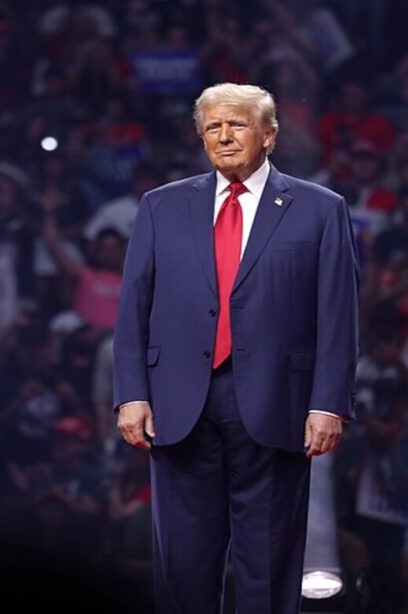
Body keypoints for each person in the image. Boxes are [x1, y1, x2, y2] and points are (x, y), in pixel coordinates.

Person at [112, 83, 359, 613]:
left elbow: (338, 315)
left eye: (238, 125)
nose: (224, 137)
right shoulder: (161, 206)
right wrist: (130, 393)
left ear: (269, 135)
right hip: (178, 404)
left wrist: (328, 402)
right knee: (181, 565)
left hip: (279, 403)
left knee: (267, 565)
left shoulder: (320, 209)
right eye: (213, 128)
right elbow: (133, 306)